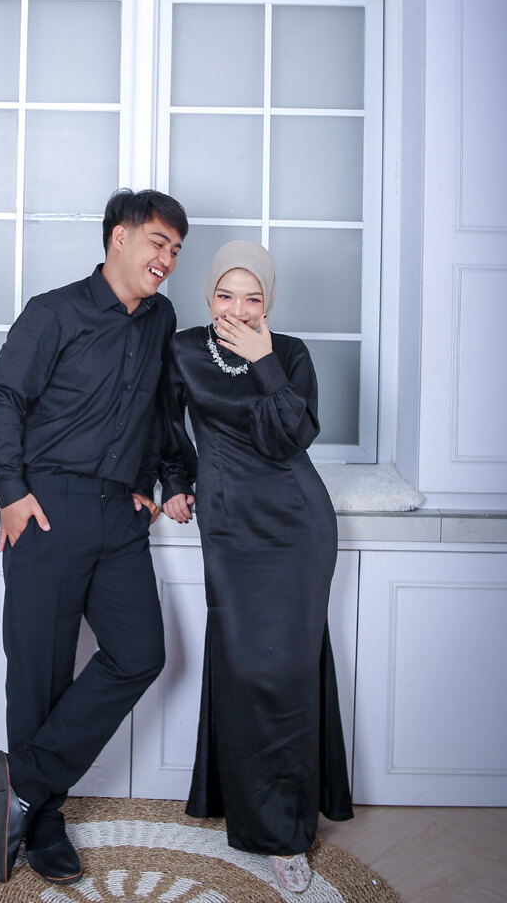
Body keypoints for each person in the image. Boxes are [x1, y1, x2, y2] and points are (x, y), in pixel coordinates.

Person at [0, 188, 188, 886]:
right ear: (119, 237)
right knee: (39, 672)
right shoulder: (54, 312)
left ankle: (27, 783)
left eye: (176, 250)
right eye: (158, 242)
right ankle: (44, 825)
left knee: (140, 653)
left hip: (118, 515)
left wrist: (160, 480)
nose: (168, 259)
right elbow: (0, 397)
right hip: (46, 508)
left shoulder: (160, 320)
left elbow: (161, 409)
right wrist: (11, 491)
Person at [161, 239, 353, 895]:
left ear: (268, 302)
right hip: (228, 526)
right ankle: (238, 802)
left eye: (253, 298)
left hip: (298, 526)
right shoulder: (184, 350)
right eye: (225, 295)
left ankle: (287, 834)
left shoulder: (289, 354)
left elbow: (289, 437)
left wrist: (264, 361)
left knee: (289, 674)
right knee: (243, 667)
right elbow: (165, 427)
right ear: (208, 295)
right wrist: (174, 482)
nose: (237, 310)